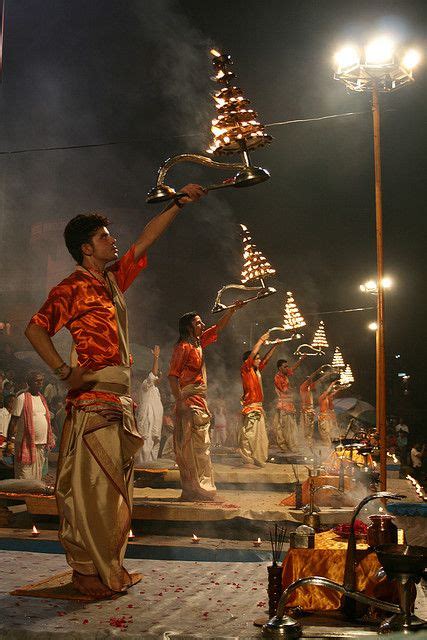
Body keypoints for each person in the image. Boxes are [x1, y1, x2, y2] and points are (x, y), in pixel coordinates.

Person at [24, 183, 205, 599]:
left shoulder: (112, 281)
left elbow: (145, 240)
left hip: (119, 401)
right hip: (92, 403)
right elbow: (35, 328)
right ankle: (87, 571)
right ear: (87, 248)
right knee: (89, 492)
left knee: (116, 494)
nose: (113, 240)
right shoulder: (71, 288)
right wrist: (64, 370)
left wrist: (178, 204)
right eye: (105, 237)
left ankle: (109, 566)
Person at [168, 304, 242, 501]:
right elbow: (172, 377)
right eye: (198, 322)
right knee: (189, 450)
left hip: (199, 401)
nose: (202, 325)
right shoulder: (182, 347)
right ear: (189, 327)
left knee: (201, 449)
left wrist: (232, 311)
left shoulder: (198, 344)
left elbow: (217, 329)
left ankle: (200, 489)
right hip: (188, 403)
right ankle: (193, 490)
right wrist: (180, 402)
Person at [7, 371, 55, 480]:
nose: (40, 383)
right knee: (24, 478)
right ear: (29, 382)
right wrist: (9, 442)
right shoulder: (22, 398)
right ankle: (23, 497)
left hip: (40, 445)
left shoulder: (42, 399)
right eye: (37, 381)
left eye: (41, 381)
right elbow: (13, 421)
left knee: (36, 478)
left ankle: (32, 497)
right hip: (25, 445)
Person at [239, 331, 278, 468]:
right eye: (257, 358)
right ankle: (248, 460)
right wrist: (261, 340)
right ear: (249, 360)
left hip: (258, 407)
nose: (259, 360)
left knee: (260, 437)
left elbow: (266, 359)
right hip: (251, 406)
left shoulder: (256, 370)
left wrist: (275, 346)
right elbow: (252, 355)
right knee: (250, 435)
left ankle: (257, 459)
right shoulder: (246, 369)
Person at [135, 345, 163, 465]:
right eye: (158, 374)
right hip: (147, 423)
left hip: (156, 424)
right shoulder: (145, 385)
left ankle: (152, 473)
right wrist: (156, 358)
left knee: (154, 447)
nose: (159, 376)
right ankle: (142, 471)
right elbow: (152, 376)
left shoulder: (156, 390)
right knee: (145, 448)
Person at [273, 355, 306, 453]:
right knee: (287, 428)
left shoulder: (285, 375)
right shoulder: (278, 377)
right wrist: (294, 389)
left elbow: (293, 368)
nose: (287, 368)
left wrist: (301, 359)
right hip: (284, 405)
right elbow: (285, 390)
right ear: (280, 368)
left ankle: (289, 446)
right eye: (285, 367)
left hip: (288, 405)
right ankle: (290, 447)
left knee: (291, 427)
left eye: (287, 366)